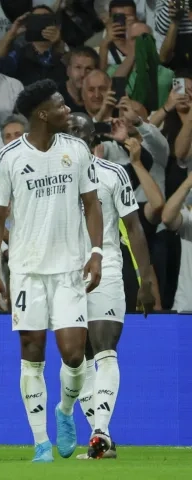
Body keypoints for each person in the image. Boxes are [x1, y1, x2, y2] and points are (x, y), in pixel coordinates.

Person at [0, 79, 104, 463]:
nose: (68, 109)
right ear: (41, 113)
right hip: (26, 271)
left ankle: (65, 412)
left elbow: (92, 205)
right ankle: (40, 442)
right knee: (32, 351)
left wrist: (97, 252)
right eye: (60, 105)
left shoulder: (78, 150)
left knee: (73, 354)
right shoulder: (9, 158)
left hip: (69, 269)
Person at [67, 113, 156, 459]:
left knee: (104, 348)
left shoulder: (113, 174)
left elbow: (134, 228)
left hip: (107, 269)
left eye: (80, 132)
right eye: (68, 131)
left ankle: (101, 430)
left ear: (94, 142)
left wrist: (146, 281)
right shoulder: (53, 177)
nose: (73, 136)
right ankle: (100, 437)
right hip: (64, 277)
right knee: (79, 359)